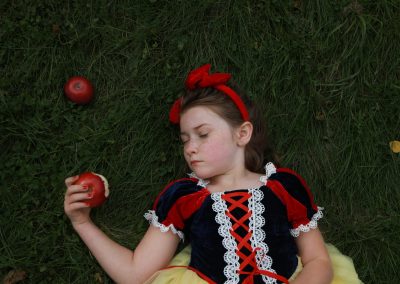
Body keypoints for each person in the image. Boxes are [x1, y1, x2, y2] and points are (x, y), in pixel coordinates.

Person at [64, 64, 362, 284]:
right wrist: (82, 222)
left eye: (203, 134)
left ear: (242, 133)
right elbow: (134, 274)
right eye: (185, 139)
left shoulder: (283, 186)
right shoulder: (182, 197)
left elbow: (318, 260)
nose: (190, 148)